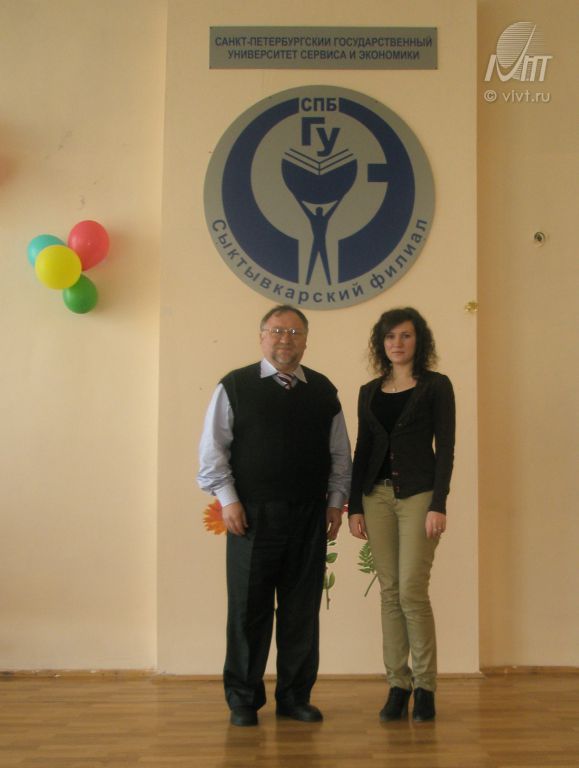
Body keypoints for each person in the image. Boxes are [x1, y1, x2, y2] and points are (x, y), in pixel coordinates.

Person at [198, 304, 352, 727]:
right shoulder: (234, 386)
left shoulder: (323, 391)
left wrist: (336, 501)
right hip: (251, 516)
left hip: (309, 515)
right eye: (278, 331)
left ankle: (295, 697)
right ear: (262, 336)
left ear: (306, 340)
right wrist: (228, 500)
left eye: (295, 332)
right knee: (248, 610)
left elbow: (340, 453)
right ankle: (243, 700)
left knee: (301, 610)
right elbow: (213, 451)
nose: (286, 339)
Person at [348, 307, 455, 723]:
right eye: (390, 336)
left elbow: (446, 448)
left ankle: (425, 686)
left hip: (418, 497)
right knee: (390, 591)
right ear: (381, 342)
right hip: (375, 498)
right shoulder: (368, 391)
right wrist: (355, 505)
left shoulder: (436, 387)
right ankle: (398, 684)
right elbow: (362, 450)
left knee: (411, 590)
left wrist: (438, 503)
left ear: (418, 340)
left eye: (406, 335)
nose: (397, 343)